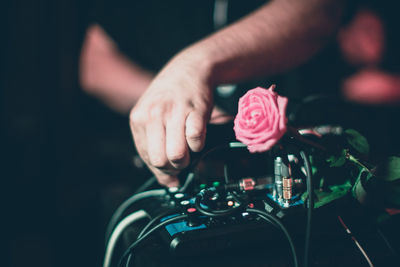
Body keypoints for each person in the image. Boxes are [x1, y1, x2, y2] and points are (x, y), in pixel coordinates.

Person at [81, 0, 351, 187]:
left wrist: (193, 66)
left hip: (307, 161)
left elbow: (320, 9)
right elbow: (95, 63)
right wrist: (171, 102)